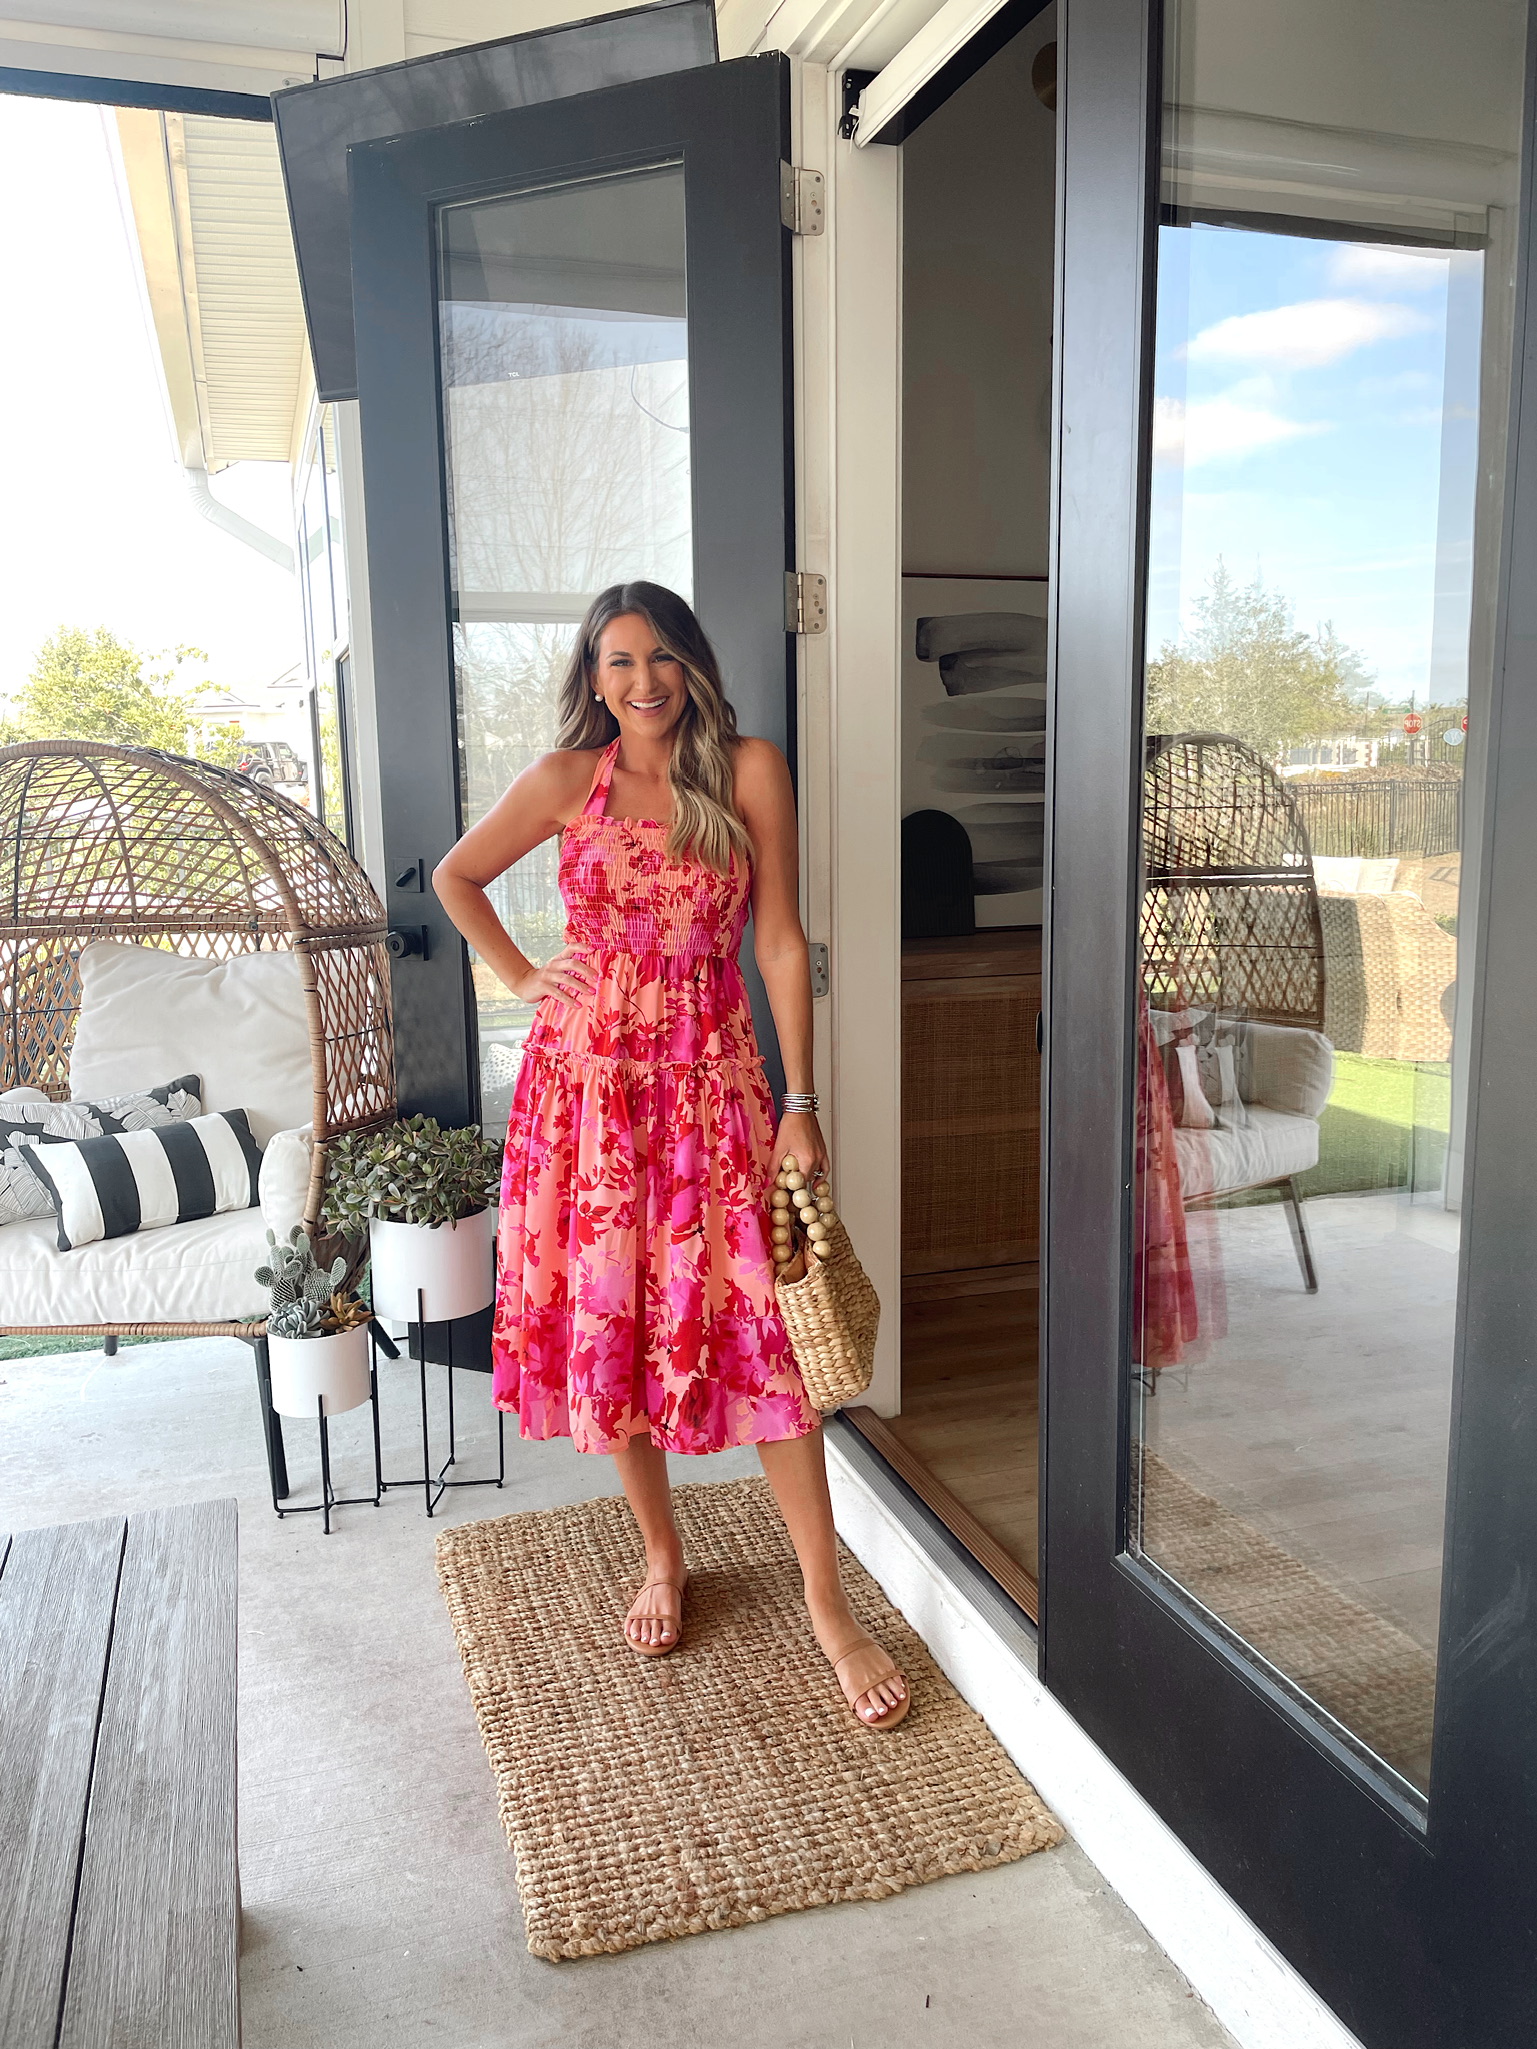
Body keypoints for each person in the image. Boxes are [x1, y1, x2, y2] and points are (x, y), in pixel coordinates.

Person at [434, 581, 909, 1730]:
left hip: (713, 1092)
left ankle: (827, 1606)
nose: (641, 681)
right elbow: (456, 876)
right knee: (619, 1327)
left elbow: (780, 940)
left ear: (690, 663)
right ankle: (661, 1554)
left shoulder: (747, 769)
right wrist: (521, 976)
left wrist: (800, 1100)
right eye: (618, 662)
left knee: (767, 1342)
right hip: (586, 1103)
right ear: (594, 680)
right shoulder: (565, 780)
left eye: (658, 657)